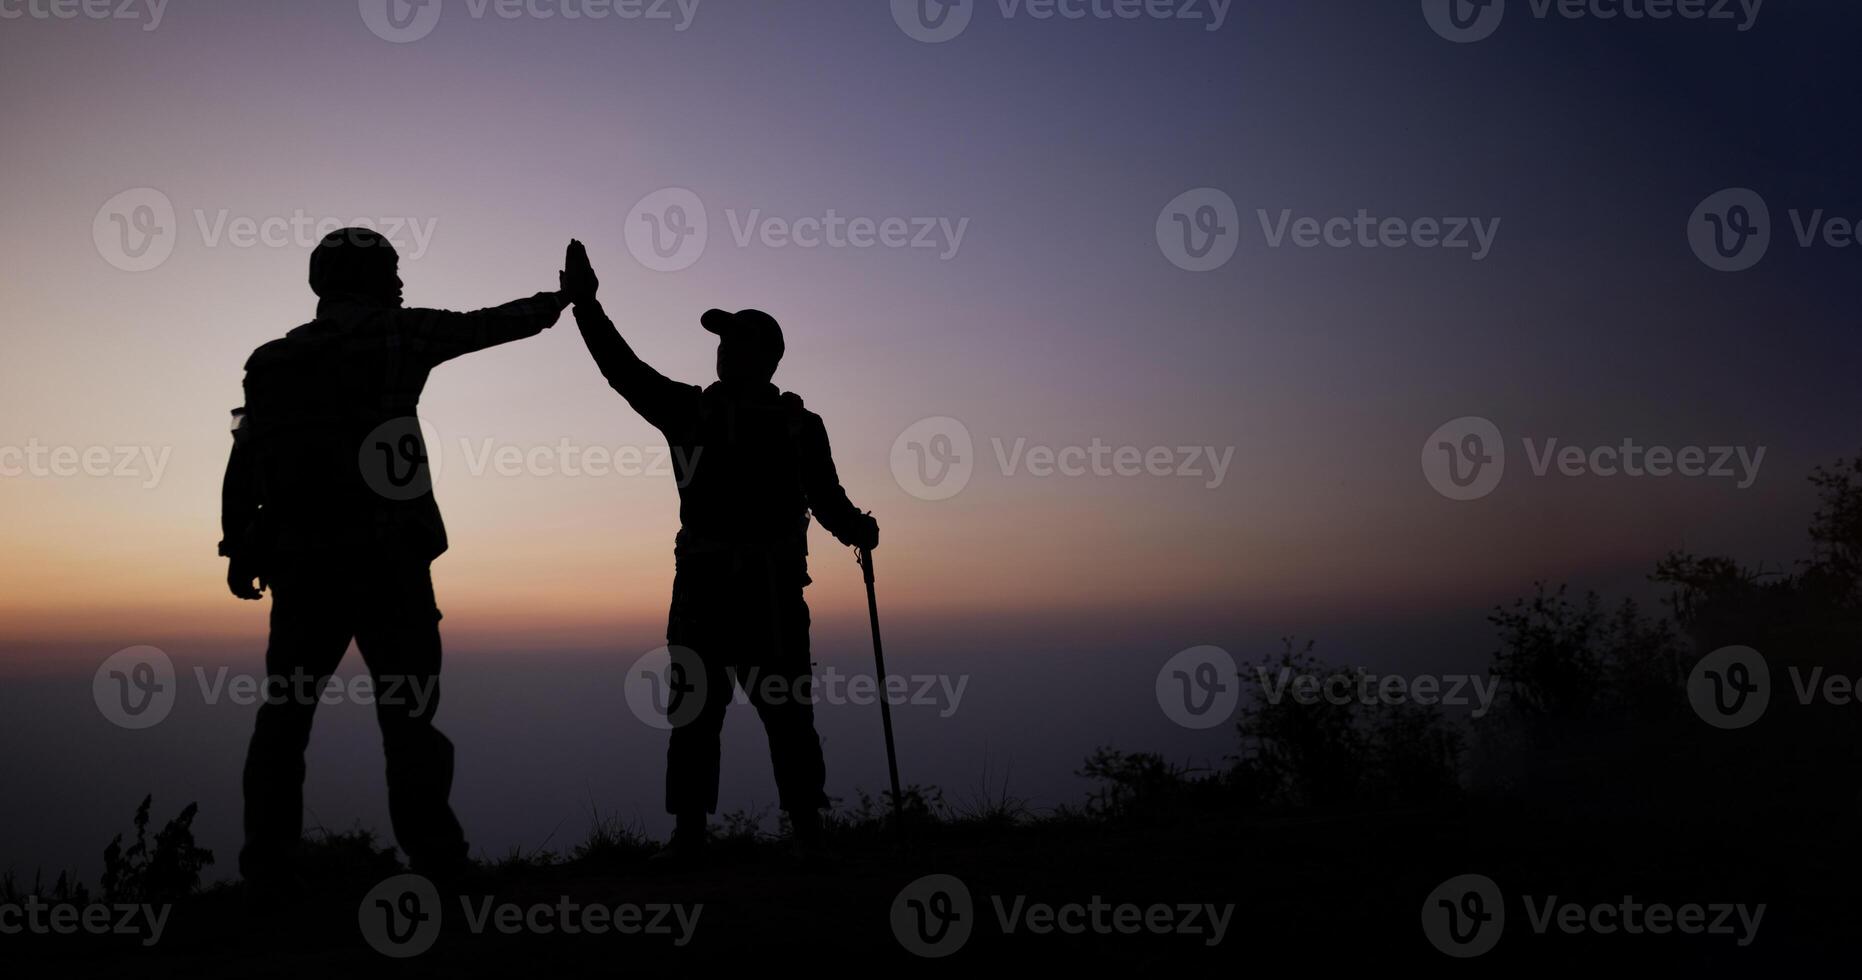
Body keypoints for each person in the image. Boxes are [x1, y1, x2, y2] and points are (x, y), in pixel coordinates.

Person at [220, 228, 569, 893]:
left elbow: (245, 457)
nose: (402, 282)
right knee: (409, 718)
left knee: (284, 719)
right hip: (388, 563)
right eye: (394, 271)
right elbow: (491, 326)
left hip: (301, 567)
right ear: (374, 279)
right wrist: (563, 300)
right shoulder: (397, 335)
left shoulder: (269, 361)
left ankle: (267, 868)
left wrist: (238, 546)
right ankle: (437, 862)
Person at [560, 240, 878, 863]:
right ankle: (722, 835)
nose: (724, 348)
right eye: (722, 339)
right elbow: (622, 370)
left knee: (751, 714)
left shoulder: (743, 420)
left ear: (768, 357)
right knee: (717, 715)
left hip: (729, 591)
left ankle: (769, 832)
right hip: (758, 593)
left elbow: (828, 499)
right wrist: (587, 307)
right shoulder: (717, 414)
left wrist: (854, 528)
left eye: (736, 340)